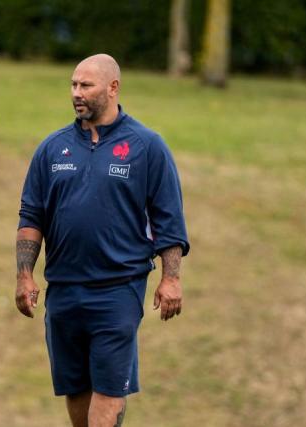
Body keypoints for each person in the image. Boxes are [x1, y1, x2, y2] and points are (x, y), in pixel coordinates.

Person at [15, 54, 189, 427]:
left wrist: (171, 278)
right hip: (63, 292)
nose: (76, 93)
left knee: (108, 400)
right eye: (73, 85)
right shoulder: (51, 149)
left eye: (86, 86)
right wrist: (24, 274)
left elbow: (168, 222)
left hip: (117, 292)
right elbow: (31, 217)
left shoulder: (147, 146)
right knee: (77, 394)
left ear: (113, 88)